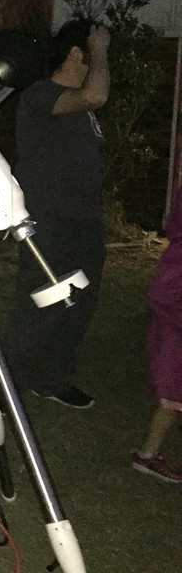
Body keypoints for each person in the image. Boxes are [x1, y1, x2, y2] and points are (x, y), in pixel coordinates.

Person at [3, 20, 110, 409]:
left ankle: (53, 377)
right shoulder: (41, 95)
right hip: (49, 220)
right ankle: (9, 381)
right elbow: (97, 95)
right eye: (92, 55)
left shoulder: (75, 104)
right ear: (77, 54)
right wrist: (101, 46)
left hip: (84, 219)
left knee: (78, 303)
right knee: (40, 302)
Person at [131, 189, 182, 484]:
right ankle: (148, 456)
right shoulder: (178, 258)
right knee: (172, 403)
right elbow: (163, 296)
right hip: (174, 340)